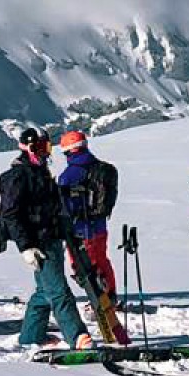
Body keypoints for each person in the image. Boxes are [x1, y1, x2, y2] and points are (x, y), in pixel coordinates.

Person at [0, 126, 91, 352]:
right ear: (28, 147)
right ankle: (77, 337)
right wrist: (25, 247)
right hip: (38, 242)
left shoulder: (42, 172)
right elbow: (11, 214)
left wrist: (69, 232)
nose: (45, 152)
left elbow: (54, 208)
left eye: (47, 146)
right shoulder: (19, 176)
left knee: (44, 292)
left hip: (52, 238)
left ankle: (30, 336)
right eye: (40, 147)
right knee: (58, 290)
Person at [56, 128, 125, 343]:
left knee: (84, 268)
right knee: (101, 261)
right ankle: (110, 295)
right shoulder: (100, 167)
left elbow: (63, 204)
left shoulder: (71, 174)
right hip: (100, 225)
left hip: (80, 229)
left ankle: (102, 302)